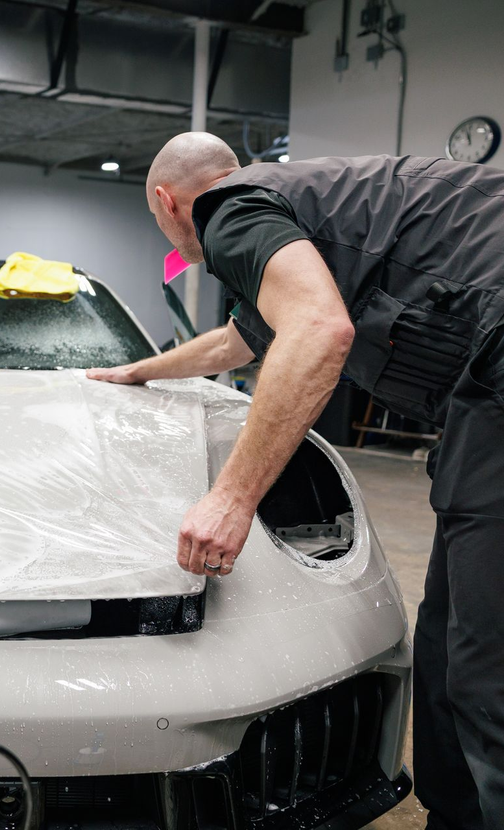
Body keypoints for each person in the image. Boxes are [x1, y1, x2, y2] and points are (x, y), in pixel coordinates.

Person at [86, 132, 504, 830]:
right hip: (482, 392)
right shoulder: (300, 208)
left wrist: (232, 496)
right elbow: (243, 340)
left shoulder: (231, 210)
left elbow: (315, 328)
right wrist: (137, 371)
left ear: (167, 202)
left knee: (488, 667)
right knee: (448, 638)